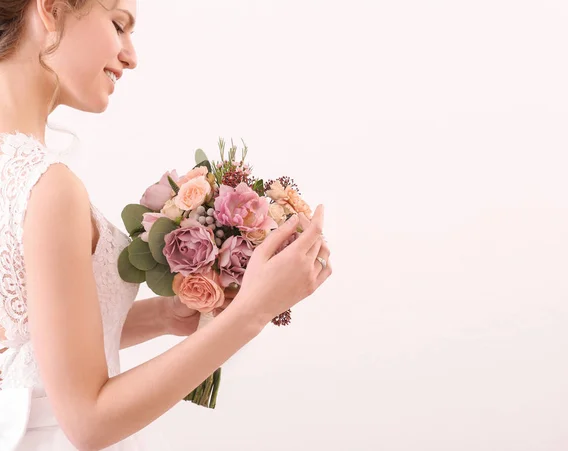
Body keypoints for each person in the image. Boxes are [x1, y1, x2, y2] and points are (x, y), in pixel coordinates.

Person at [0, 0, 333, 449]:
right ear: (52, 8)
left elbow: (25, 339)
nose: (130, 55)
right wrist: (251, 310)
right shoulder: (47, 189)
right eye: (118, 25)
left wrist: (162, 316)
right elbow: (88, 422)